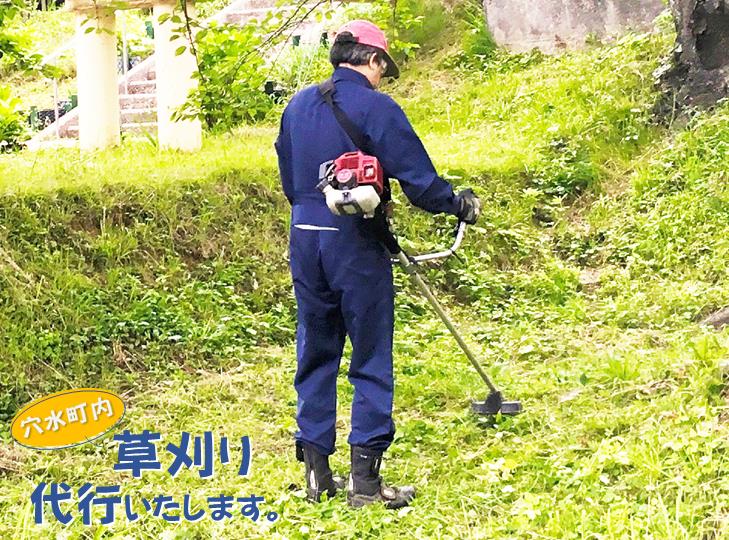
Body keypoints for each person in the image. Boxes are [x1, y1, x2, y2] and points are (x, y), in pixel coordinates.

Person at [274, 19, 481, 509]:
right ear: (374, 61)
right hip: (353, 244)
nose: (384, 76)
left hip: (304, 236)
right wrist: (459, 204)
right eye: (384, 67)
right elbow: (422, 184)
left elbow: (289, 178)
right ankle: (365, 484)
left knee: (316, 350)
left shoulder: (298, 104)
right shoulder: (376, 106)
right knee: (369, 354)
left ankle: (317, 477)